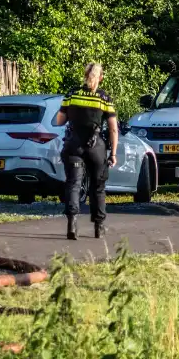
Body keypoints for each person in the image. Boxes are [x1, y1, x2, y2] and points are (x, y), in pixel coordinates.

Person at [54, 62, 118, 240]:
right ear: (101, 78)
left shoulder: (72, 94)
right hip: (96, 146)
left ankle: (72, 225)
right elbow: (113, 129)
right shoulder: (104, 98)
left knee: (74, 184)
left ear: (85, 76)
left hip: (74, 145)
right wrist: (113, 153)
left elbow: (59, 121)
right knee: (98, 187)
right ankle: (99, 227)